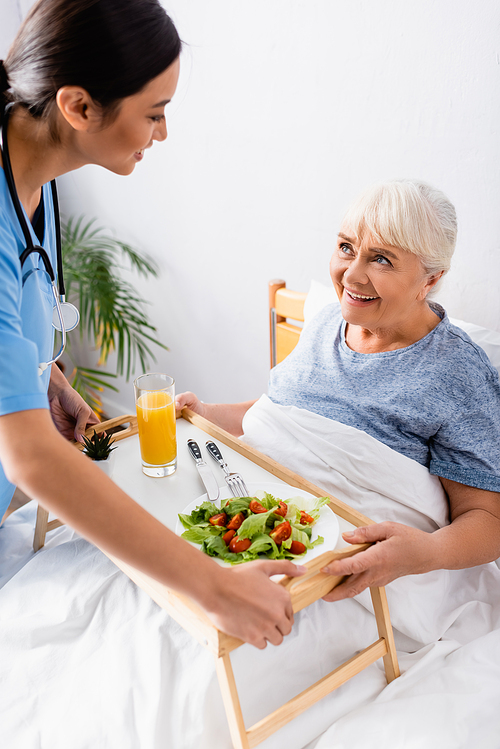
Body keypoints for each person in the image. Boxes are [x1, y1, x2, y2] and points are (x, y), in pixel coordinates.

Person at [0, 0, 305, 650]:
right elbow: (27, 453)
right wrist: (213, 585)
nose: (163, 133)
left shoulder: (37, 177)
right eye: (155, 113)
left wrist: (41, 377)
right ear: (80, 107)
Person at [176, 179, 500, 596]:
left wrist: (424, 554)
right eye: (347, 248)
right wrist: (208, 413)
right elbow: (282, 411)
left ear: (431, 279)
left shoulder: (459, 373)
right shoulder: (329, 321)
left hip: (356, 570)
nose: (351, 274)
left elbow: (487, 519)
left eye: (381, 259)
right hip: (255, 520)